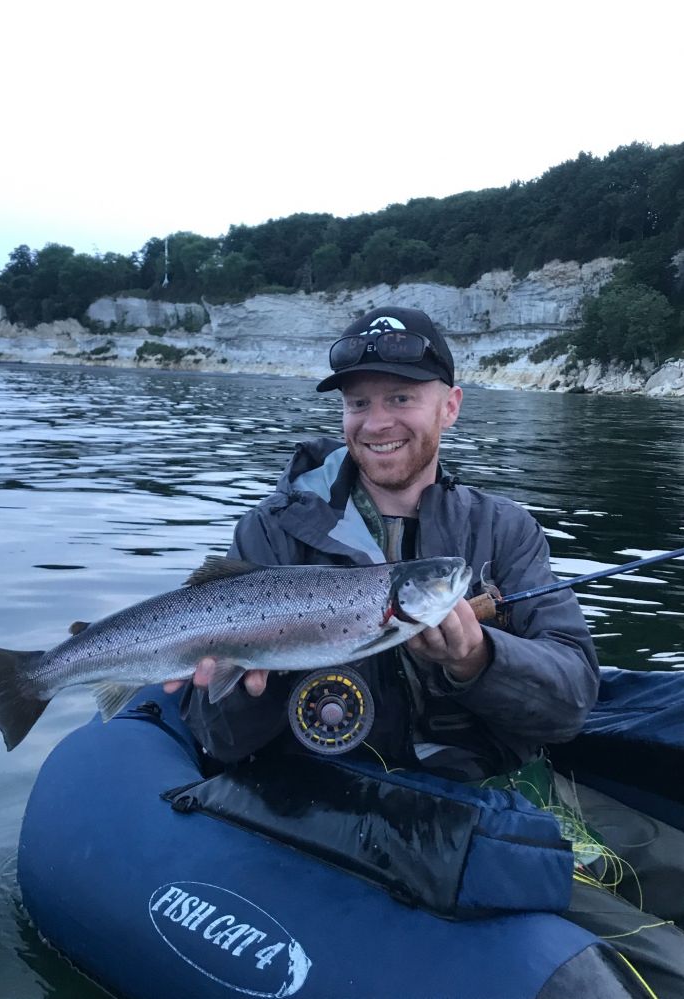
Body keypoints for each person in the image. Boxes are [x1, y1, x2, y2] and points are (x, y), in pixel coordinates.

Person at [165, 306, 684, 997]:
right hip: (348, 813)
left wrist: (480, 662)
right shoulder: (270, 534)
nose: (375, 422)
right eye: (358, 402)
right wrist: (239, 692)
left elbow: (570, 701)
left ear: (450, 407)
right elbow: (217, 739)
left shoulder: (505, 530)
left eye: (401, 398)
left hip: (505, 791)